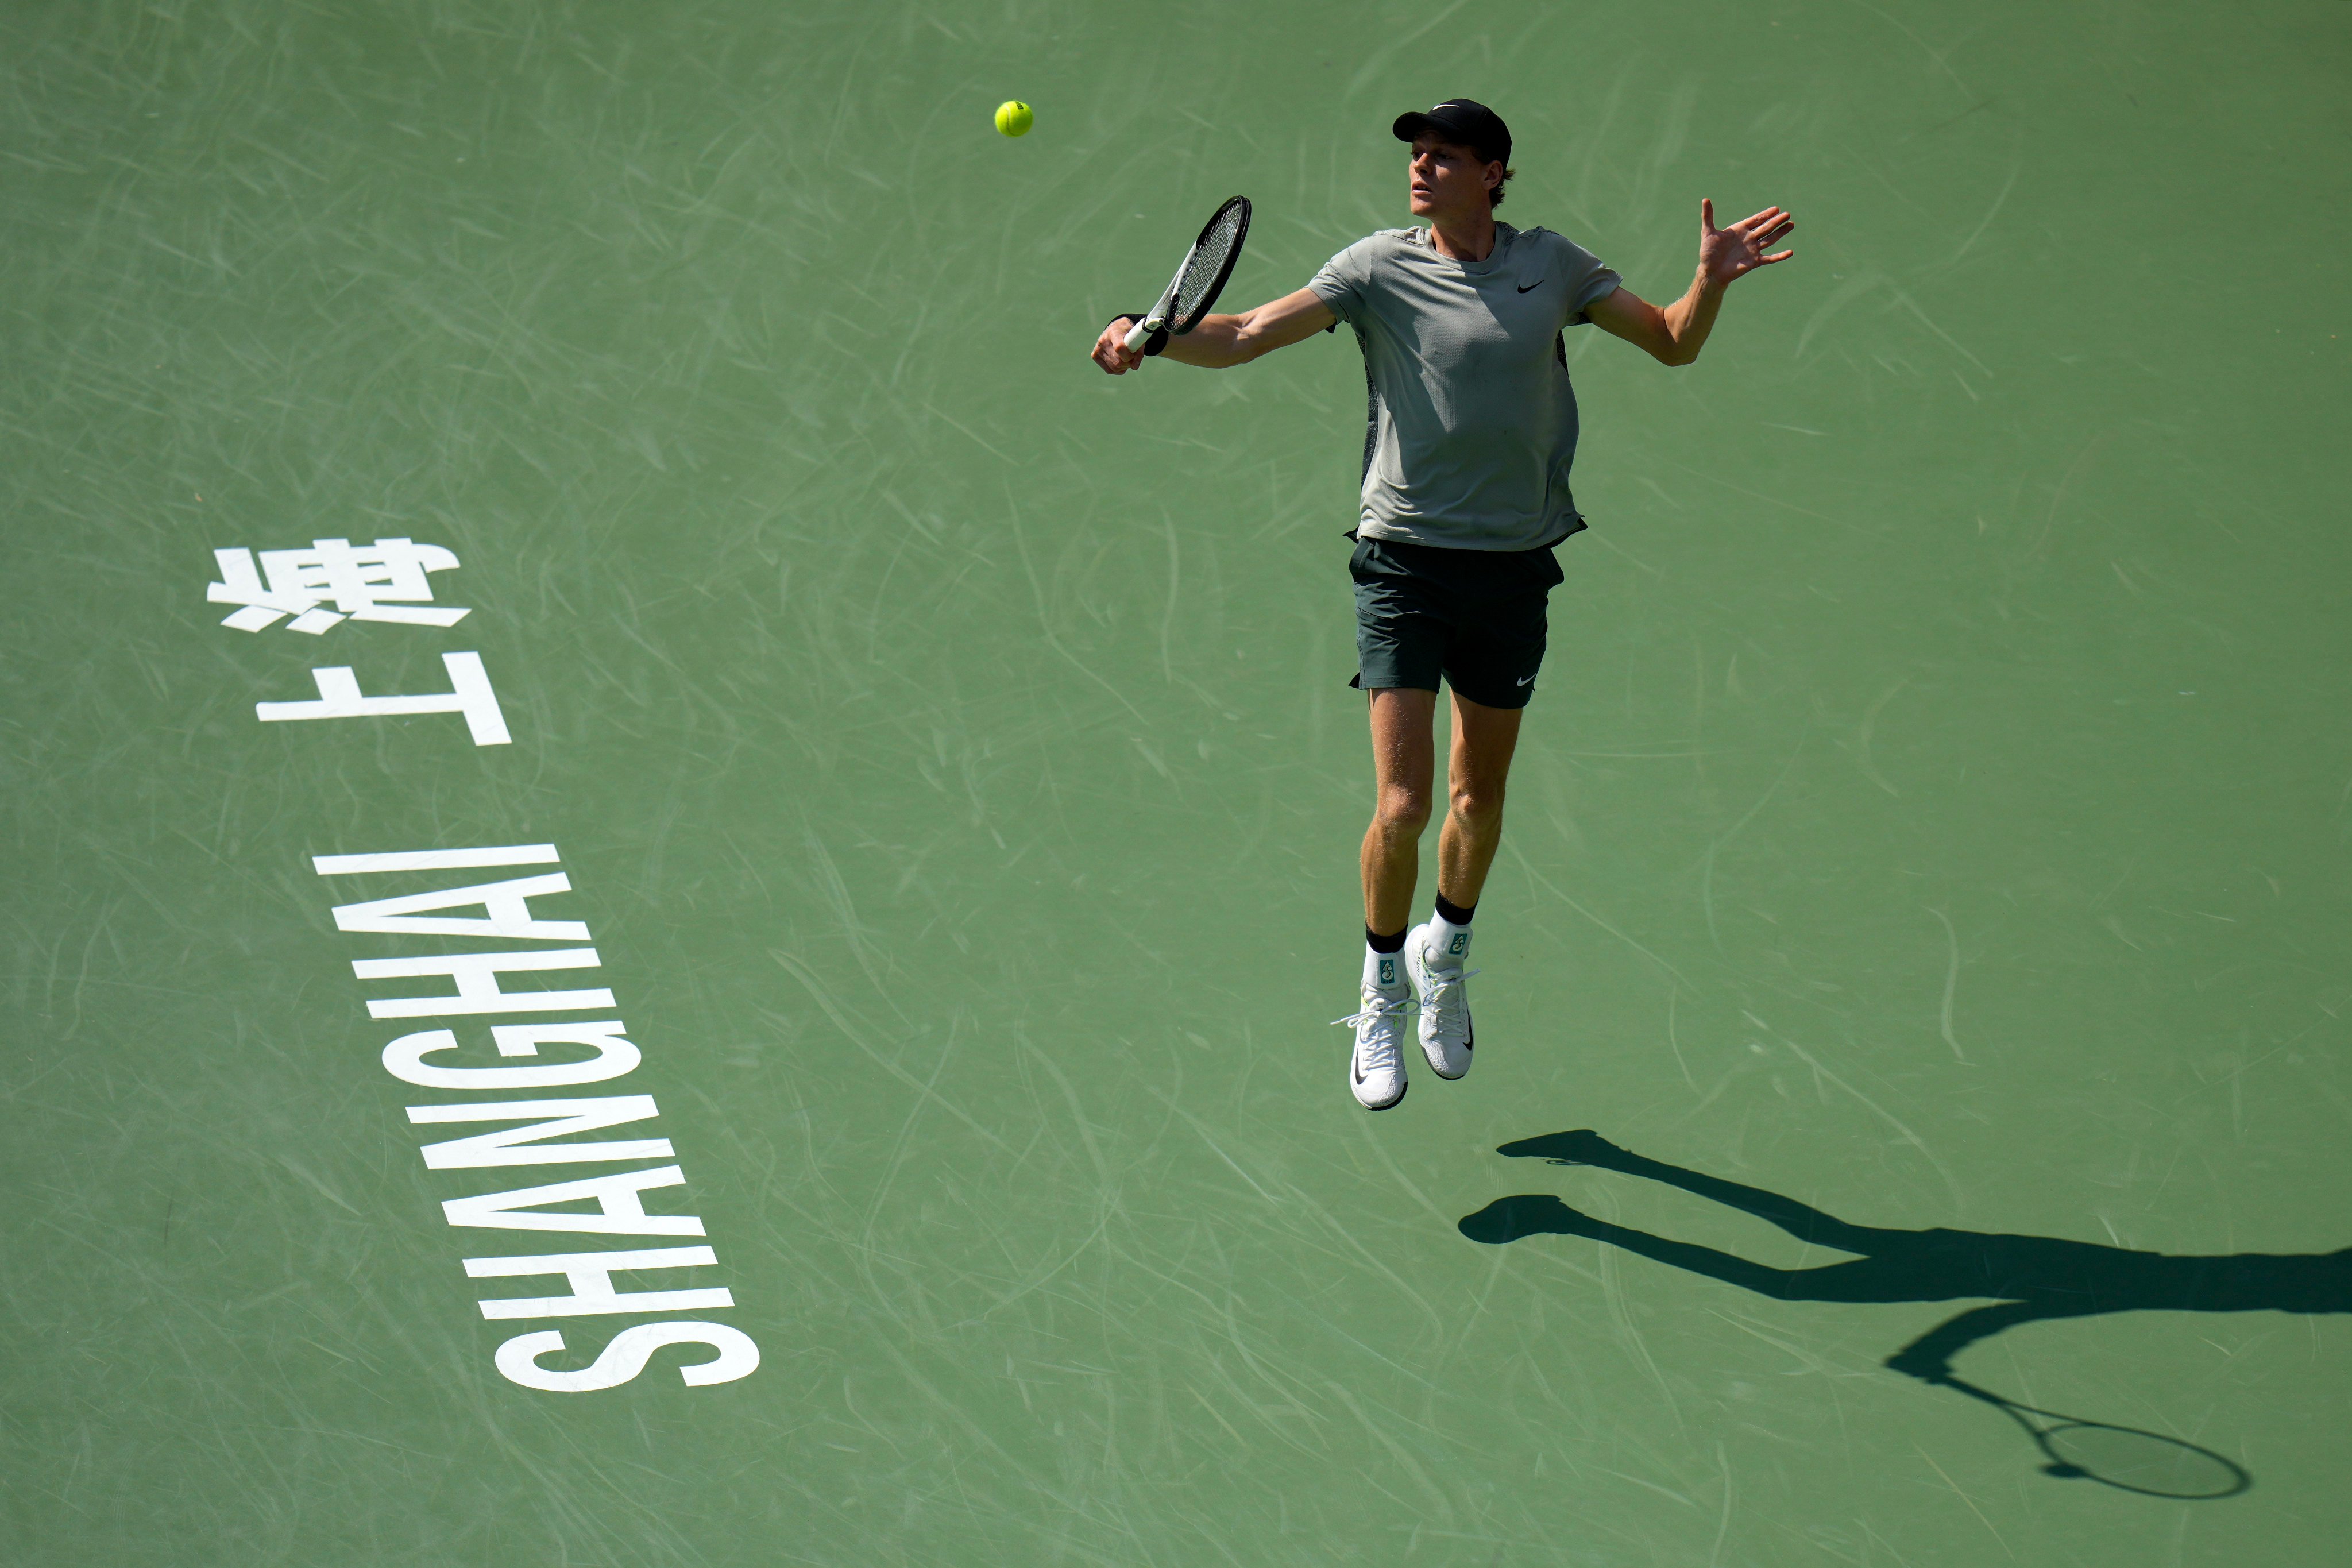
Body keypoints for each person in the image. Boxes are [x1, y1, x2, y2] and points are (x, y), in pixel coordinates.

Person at [1090, 99, 1794, 1110]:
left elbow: (1675, 345)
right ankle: (1379, 988)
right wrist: (1148, 336)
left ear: (1495, 172)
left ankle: (1444, 954)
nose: (1422, 170)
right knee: (1406, 803)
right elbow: (1242, 332)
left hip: (1511, 565)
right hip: (1405, 562)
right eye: (1417, 157)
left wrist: (1709, 283)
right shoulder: (1376, 267)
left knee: (1477, 798)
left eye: (1445, 158)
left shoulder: (1553, 267)